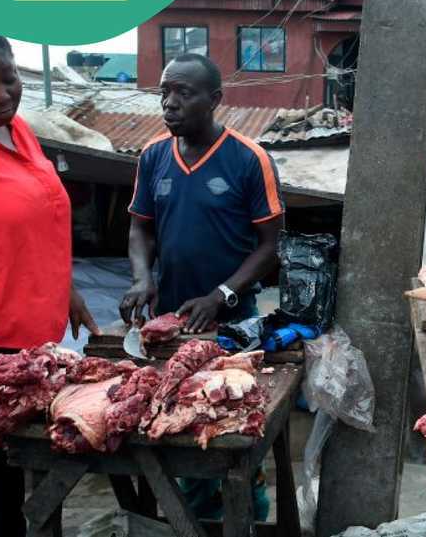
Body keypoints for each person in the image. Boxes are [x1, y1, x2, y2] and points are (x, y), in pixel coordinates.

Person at [118, 53, 284, 521]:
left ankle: (245, 517)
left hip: (232, 320)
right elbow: (140, 228)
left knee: (232, 427)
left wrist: (221, 295)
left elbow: (271, 245)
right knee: (176, 425)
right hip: (169, 323)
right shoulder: (153, 156)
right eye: (164, 93)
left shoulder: (248, 158)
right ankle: (190, 520)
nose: (169, 103)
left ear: (214, 100)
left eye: (183, 93)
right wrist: (142, 277)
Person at [0, 22, 99, 536]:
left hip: (30, 347)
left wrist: (66, 289)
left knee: (7, 479)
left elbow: (39, 222)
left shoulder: (20, 131)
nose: (1, 95)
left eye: (9, 79)